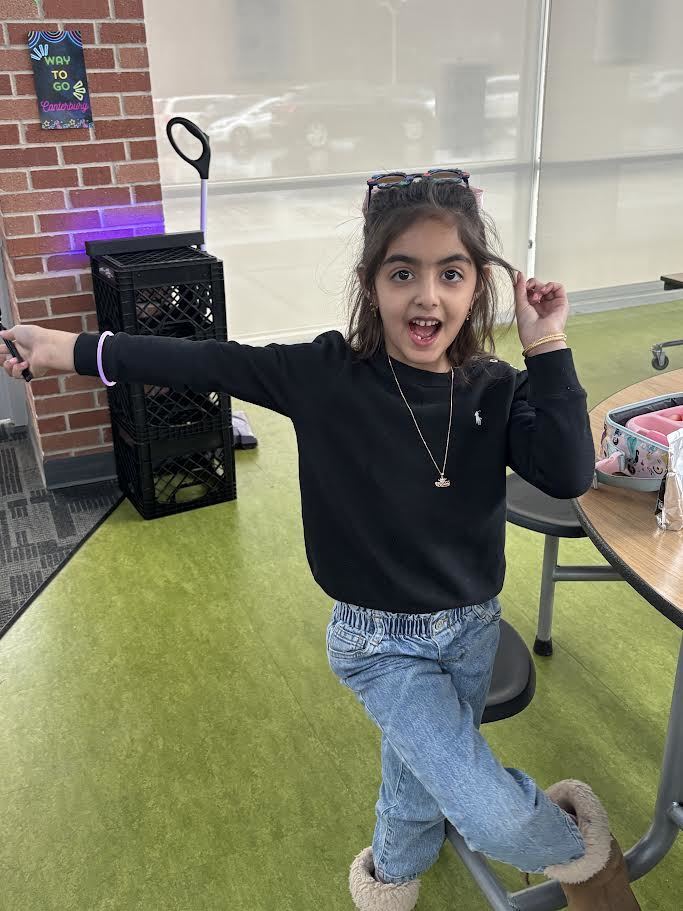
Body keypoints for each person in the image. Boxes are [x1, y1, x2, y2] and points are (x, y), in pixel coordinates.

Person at [1, 170, 640, 911]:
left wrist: (549, 345)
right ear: (371, 284)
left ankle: (394, 869)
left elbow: (564, 472)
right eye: (403, 272)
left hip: (469, 629)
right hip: (377, 645)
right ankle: (588, 859)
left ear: (475, 291)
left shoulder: (497, 385)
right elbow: (204, 359)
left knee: (416, 767)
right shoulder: (325, 374)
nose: (426, 296)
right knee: (491, 811)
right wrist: (65, 348)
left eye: (450, 273)